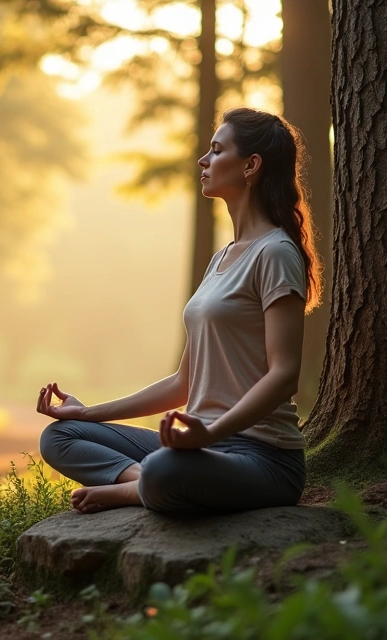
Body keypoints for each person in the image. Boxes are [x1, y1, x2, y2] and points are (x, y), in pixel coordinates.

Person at [37, 107, 321, 515]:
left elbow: (283, 374)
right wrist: (88, 411)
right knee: (61, 436)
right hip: (199, 448)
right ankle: (145, 484)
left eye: (217, 150)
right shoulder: (221, 259)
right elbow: (184, 383)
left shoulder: (275, 253)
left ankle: (139, 487)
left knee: (167, 466)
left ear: (250, 166)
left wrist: (207, 434)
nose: (203, 161)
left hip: (262, 457)